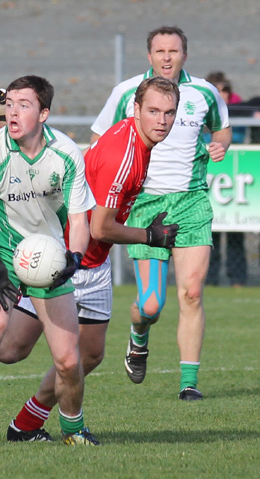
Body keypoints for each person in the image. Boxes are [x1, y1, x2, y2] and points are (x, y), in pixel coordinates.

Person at [5, 76, 180, 442]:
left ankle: (25, 425)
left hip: (93, 264)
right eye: (153, 111)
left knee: (89, 355)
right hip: (64, 261)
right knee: (10, 349)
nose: (161, 120)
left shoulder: (135, 139)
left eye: (169, 112)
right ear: (136, 110)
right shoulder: (125, 157)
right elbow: (100, 228)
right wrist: (151, 236)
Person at [0, 75, 101, 446]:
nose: (12, 111)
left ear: (44, 113)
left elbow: (79, 220)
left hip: (48, 259)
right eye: (9, 104)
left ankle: (73, 430)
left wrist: (74, 256)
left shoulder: (66, 154)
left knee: (69, 362)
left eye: (23, 105)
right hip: (3, 255)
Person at [90, 26, 232, 401]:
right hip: (146, 204)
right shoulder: (127, 92)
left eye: (174, 50)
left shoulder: (204, 92)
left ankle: (189, 383)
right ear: (148, 56)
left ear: (185, 54)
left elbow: (223, 130)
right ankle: (139, 336)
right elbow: (98, 140)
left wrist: (219, 146)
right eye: (160, 51)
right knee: (151, 304)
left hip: (191, 201)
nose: (167, 57)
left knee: (192, 292)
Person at [205, 72, 247, 287]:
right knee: (208, 235)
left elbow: (235, 136)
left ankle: (238, 280)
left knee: (235, 235)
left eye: (224, 90)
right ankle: (209, 279)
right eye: (216, 90)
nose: (220, 95)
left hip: (234, 182)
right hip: (209, 182)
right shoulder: (202, 111)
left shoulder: (237, 110)